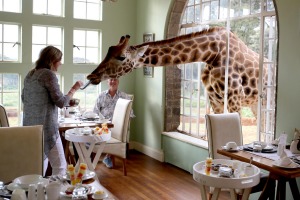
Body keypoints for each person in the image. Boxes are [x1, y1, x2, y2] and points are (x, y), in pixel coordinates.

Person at [22, 46, 83, 176]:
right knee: (60, 166)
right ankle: (55, 194)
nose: (61, 63)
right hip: (47, 129)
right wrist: (74, 88)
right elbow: (61, 102)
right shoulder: (48, 74)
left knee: (39, 168)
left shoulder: (30, 74)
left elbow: (24, 98)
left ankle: (39, 194)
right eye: (59, 60)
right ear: (52, 60)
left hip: (30, 128)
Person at [93, 78, 134, 168]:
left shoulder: (124, 96)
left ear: (118, 82)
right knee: (92, 133)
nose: (113, 82)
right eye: (111, 80)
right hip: (104, 124)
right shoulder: (101, 95)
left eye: (115, 80)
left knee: (112, 131)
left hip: (118, 126)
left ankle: (108, 156)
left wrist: (124, 125)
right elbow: (95, 112)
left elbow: (130, 114)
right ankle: (99, 155)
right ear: (107, 82)